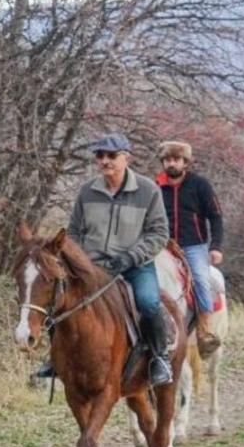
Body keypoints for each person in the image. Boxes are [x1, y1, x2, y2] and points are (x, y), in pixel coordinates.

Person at [35, 132, 173, 386]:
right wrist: (80, 259)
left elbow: (159, 233)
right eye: (100, 155)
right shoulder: (88, 191)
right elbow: (74, 231)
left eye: (111, 155)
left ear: (126, 158)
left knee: (148, 302)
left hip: (135, 265)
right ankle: (55, 359)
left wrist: (131, 257)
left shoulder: (148, 190)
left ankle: (159, 358)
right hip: (92, 267)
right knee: (59, 298)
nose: (105, 160)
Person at [155, 140, 224, 357]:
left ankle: (205, 332)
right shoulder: (155, 186)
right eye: (167, 159)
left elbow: (216, 216)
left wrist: (215, 247)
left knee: (201, 281)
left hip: (193, 245)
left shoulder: (200, 185)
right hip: (162, 245)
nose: (171, 163)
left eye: (176, 159)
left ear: (185, 162)